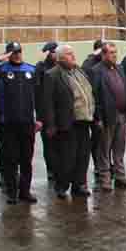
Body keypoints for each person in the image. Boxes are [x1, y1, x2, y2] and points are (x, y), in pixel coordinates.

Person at [38, 45, 96, 198]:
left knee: (83, 156)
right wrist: (50, 124)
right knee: (67, 158)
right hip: (67, 122)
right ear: (60, 58)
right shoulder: (52, 75)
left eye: (73, 53)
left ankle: (79, 185)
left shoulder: (79, 71)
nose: (73, 56)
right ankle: (62, 186)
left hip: (84, 120)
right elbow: (48, 102)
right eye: (69, 54)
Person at [0, 42, 39, 204]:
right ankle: (12, 192)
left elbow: (39, 95)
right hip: (7, 123)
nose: (17, 55)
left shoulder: (30, 70)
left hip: (27, 123)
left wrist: (40, 118)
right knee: (11, 159)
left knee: (26, 160)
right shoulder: (1, 71)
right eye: (13, 52)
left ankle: (25, 191)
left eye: (18, 51)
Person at [89, 42, 126, 190]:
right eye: (111, 53)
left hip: (122, 115)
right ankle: (105, 178)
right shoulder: (96, 71)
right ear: (103, 54)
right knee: (104, 149)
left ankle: (120, 176)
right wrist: (98, 118)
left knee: (119, 148)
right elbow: (94, 96)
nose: (114, 55)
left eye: (115, 52)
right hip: (106, 116)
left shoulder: (120, 68)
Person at [35, 41, 60, 190]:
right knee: (49, 144)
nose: (55, 55)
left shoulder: (61, 67)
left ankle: (59, 168)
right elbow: (37, 92)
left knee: (60, 143)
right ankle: (51, 169)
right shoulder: (41, 68)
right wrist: (39, 116)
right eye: (53, 52)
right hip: (45, 112)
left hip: (59, 112)